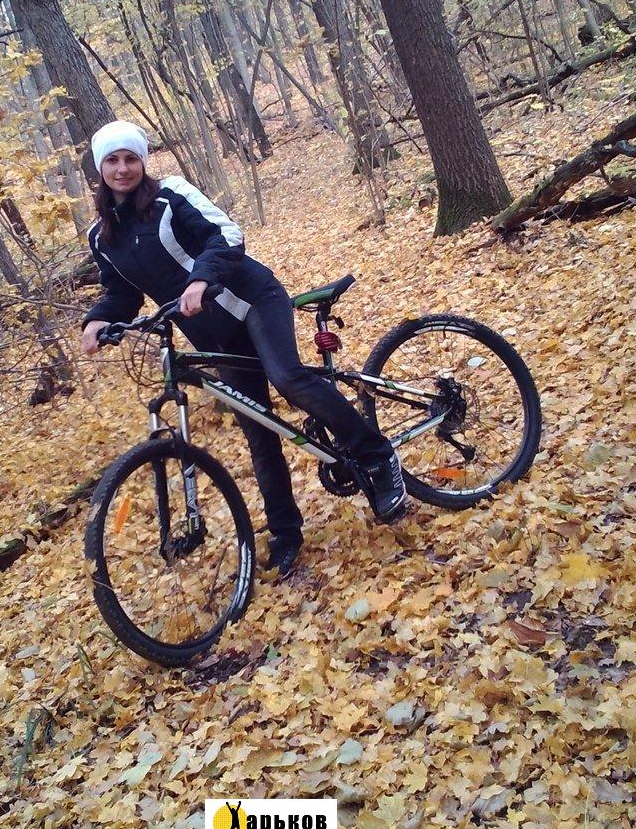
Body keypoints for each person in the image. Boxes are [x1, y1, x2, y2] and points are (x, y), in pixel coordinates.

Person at [79, 120, 406, 575]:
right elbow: (122, 291)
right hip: (212, 333)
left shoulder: (170, 195)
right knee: (257, 427)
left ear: (143, 161)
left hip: (251, 298)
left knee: (287, 377)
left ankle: (377, 456)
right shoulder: (101, 235)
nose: (122, 169)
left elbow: (226, 234)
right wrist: (98, 319)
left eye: (130, 158)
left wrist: (201, 278)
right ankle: (286, 533)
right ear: (99, 169)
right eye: (112, 161)